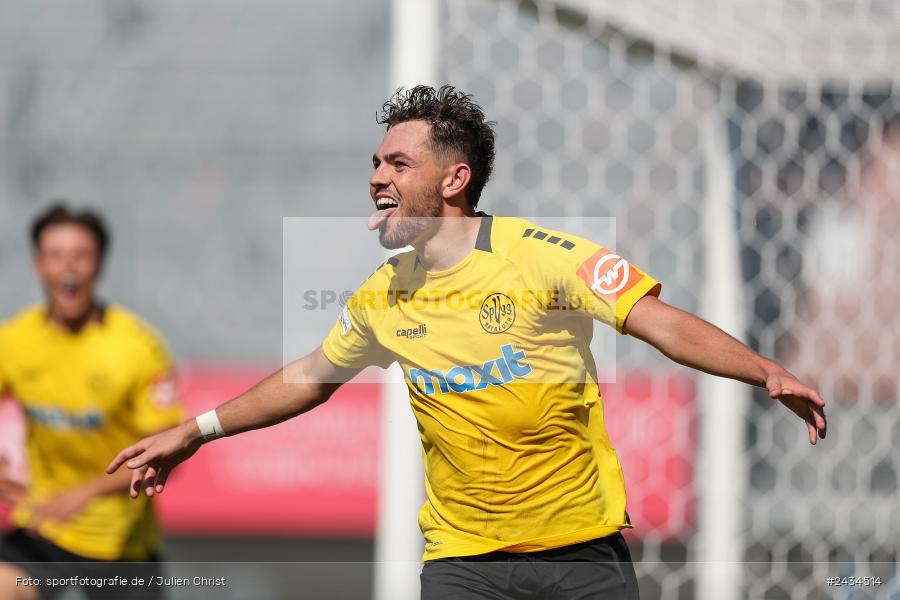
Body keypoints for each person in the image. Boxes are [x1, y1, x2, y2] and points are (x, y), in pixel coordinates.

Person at [108, 85, 826, 600]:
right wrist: (196, 431)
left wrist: (762, 370)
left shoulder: (544, 255)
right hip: (463, 562)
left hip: (580, 556)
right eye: (376, 164)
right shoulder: (383, 292)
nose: (375, 178)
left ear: (455, 179)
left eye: (396, 164)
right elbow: (309, 377)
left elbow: (660, 323)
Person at [0, 205, 183, 600]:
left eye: (80, 255)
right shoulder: (13, 340)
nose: (68, 267)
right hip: (42, 527)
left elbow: (169, 452)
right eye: (55, 255)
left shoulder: (138, 347)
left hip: (120, 545)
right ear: (38, 266)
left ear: (98, 266)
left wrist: (84, 493)